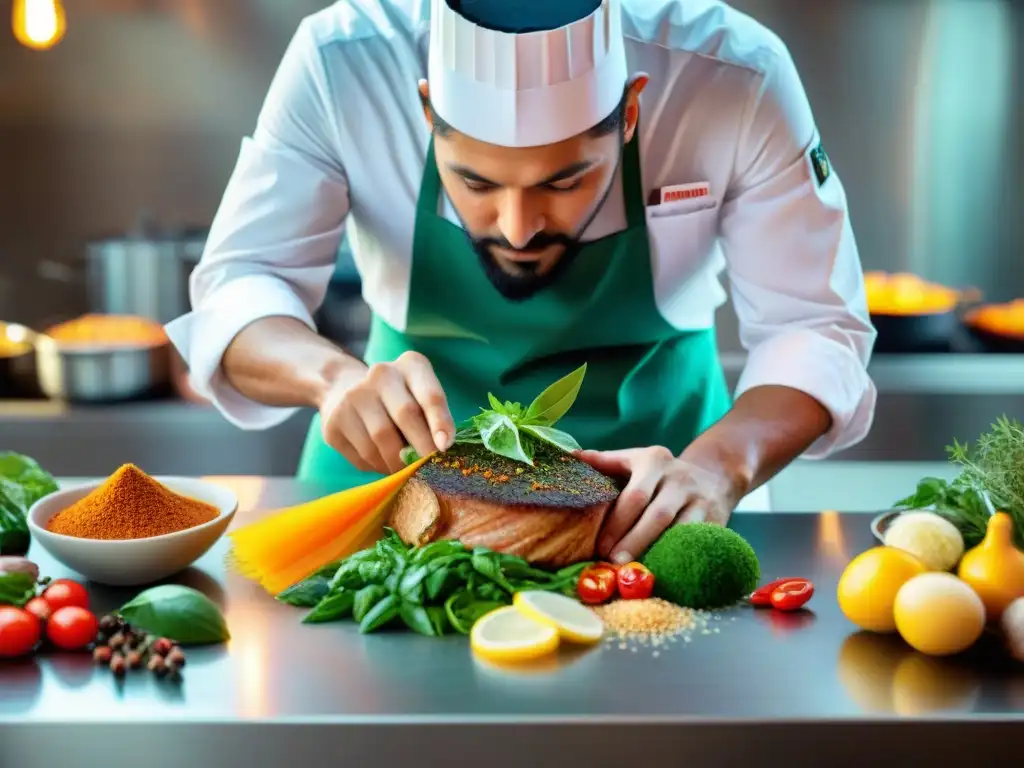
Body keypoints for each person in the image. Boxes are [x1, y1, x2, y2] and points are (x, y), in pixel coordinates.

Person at [166, 0, 877, 566]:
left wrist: (720, 467)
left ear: (630, 112)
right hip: (395, 499)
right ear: (425, 111)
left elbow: (813, 325)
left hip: (652, 512)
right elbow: (242, 284)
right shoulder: (341, 62)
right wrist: (328, 378)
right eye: (475, 181)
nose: (517, 228)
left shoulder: (733, 74)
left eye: (566, 180)